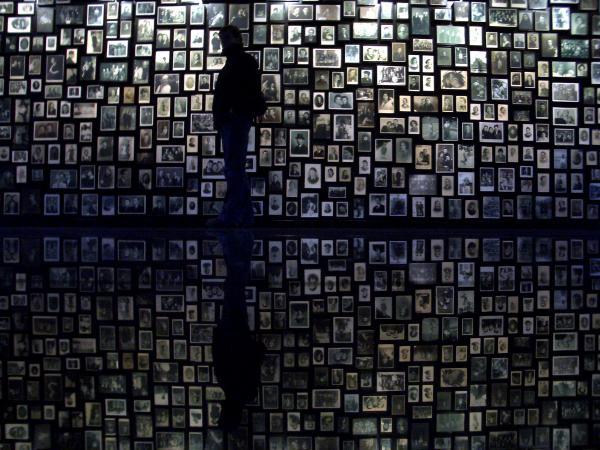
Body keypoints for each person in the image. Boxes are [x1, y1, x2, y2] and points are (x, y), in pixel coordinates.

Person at [209, 25, 266, 227]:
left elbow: (247, 91)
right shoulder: (238, 61)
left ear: (236, 38)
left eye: (226, 38)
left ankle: (232, 215)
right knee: (235, 168)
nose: (223, 42)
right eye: (221, 38)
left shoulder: (241, 62)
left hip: (235, 119)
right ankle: (243, 215)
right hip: (233, 119)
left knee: (234, 168)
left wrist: (233, 111)